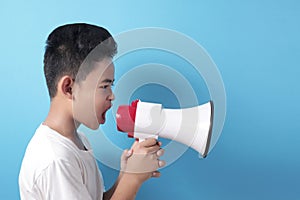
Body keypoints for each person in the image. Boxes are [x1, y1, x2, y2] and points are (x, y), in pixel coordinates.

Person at [19, 23, 165, 200]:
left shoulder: (79, 141)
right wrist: (132, 179)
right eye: (104, 85)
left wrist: (124, 176)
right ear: (69, 88)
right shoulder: (56, 160)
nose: (112, 96)